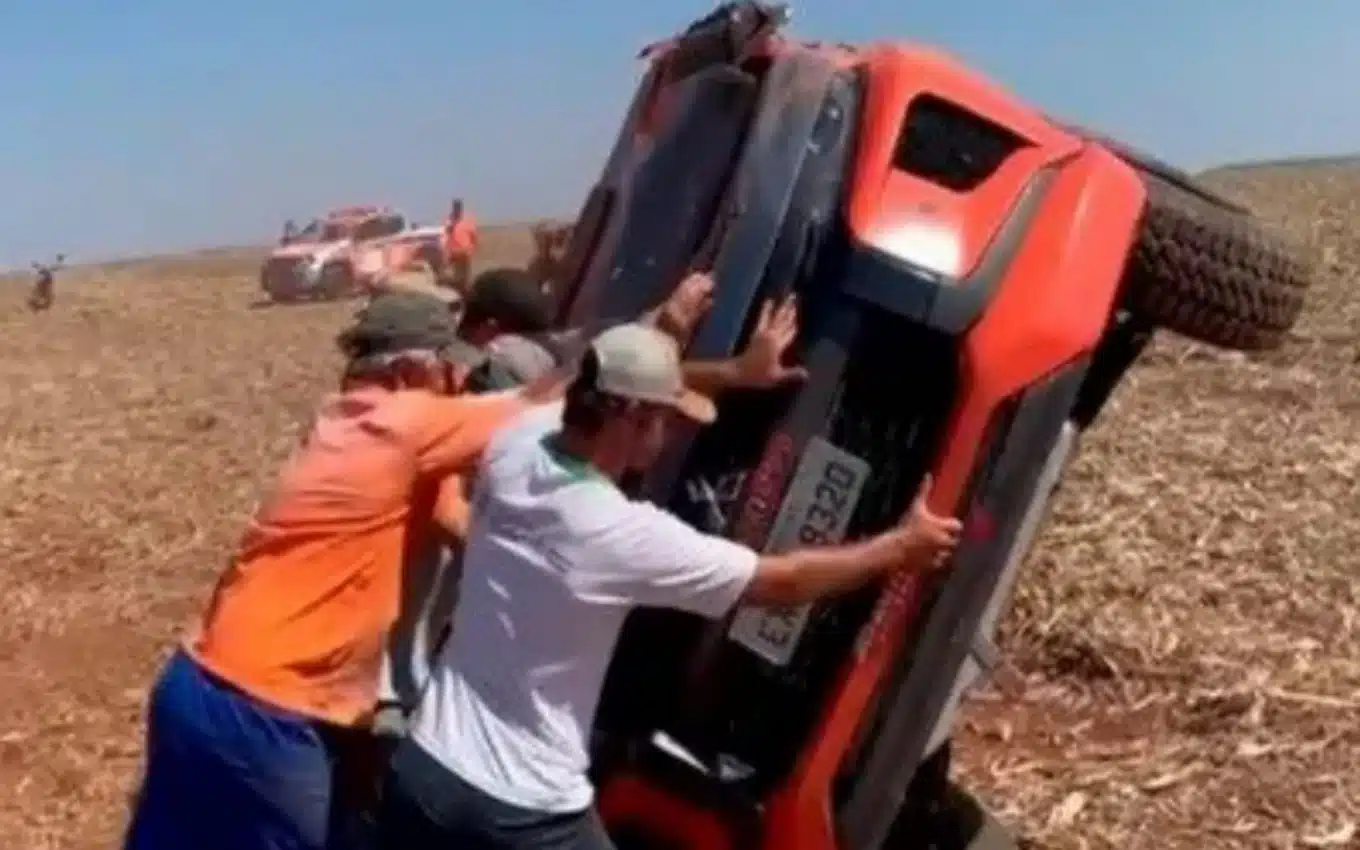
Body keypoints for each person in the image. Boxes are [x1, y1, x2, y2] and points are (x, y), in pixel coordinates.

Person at [374, 324, 964, 849]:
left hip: (426, 769)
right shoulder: (617, 532)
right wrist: (898, 548)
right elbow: (780, 582)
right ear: (631, 418)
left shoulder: (516, 443)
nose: (672, 434)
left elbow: (577, 384)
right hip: (522, 809)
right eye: (668, 418)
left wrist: (737, 372)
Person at [441, 198, 478, 294]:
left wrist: (471, 249)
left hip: (464, 253)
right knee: (451, 278)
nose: (456, 209)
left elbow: (474, 237)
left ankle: (465, 295)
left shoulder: (468, 220)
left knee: (464, 279)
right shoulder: (449, 220)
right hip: (452, 253)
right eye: (455, 207)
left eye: (458, 207)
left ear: (461, 208)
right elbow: (445, 236)